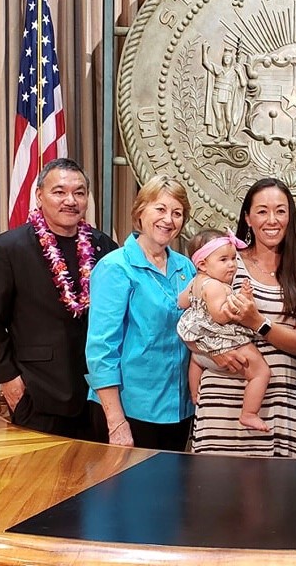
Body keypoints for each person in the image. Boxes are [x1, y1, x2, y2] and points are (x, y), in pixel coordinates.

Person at [0, 158, 117, 440]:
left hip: (97, 395)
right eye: (59, 192)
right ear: (39, 196)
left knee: (96, 481)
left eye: (79, 192)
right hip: (38, 393)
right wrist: (10, 381)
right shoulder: (8, 248)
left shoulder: (104, 247)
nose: (70, 201)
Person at [190, 178, 296, 457]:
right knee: (217, 498)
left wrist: (258, 322)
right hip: (223, 404)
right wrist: (212, 353)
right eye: (262, 211)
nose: (272, 220)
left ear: (290, 217)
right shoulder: (226, 263)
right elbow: (192, 322)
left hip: (281, 407)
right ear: (248, 218)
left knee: (277, 500)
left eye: (280, 211)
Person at [85, 175, 195, 451]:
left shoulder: (187, 268)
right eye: (160, 209)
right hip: (129, 412)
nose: (168, 219)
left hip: (179, 411)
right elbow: (101, 350)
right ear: (140, 212)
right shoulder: (115, 267)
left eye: (177, 213)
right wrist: (116, 422)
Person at [177, 229, 271, 433]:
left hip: (201, 350)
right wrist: (237, 305)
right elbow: (220, 316)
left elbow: (181, 301)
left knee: (194, 359)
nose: (231, 264)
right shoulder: (216, 287)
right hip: (226, 342)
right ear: (202, 264)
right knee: (261, 372)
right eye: (223, 260)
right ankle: (249, 413)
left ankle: (195, 393)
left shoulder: (196, 282)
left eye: (233, 259)